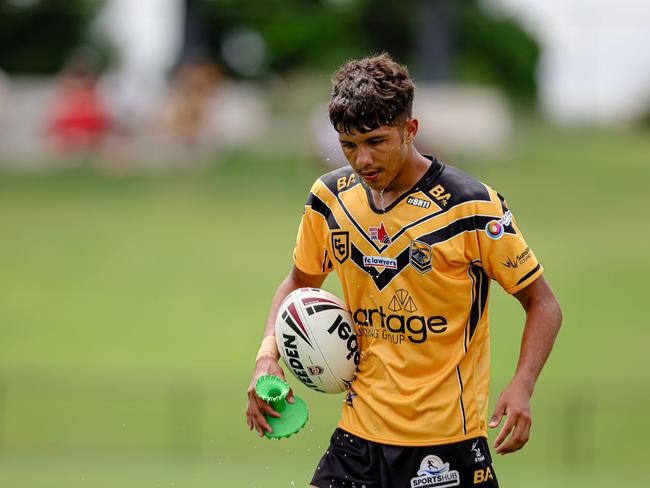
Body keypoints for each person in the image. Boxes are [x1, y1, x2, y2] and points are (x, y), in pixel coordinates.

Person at [245, 53, 562, 488]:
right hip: (358, 438)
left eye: (376, 141)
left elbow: (542, 303)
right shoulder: (329, 199)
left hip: (446, 445)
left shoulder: (471, 207)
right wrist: (267, 358)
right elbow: (299, 283)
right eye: (349, 145)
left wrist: (522, 384)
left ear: (409, 130)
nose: (362, 160)